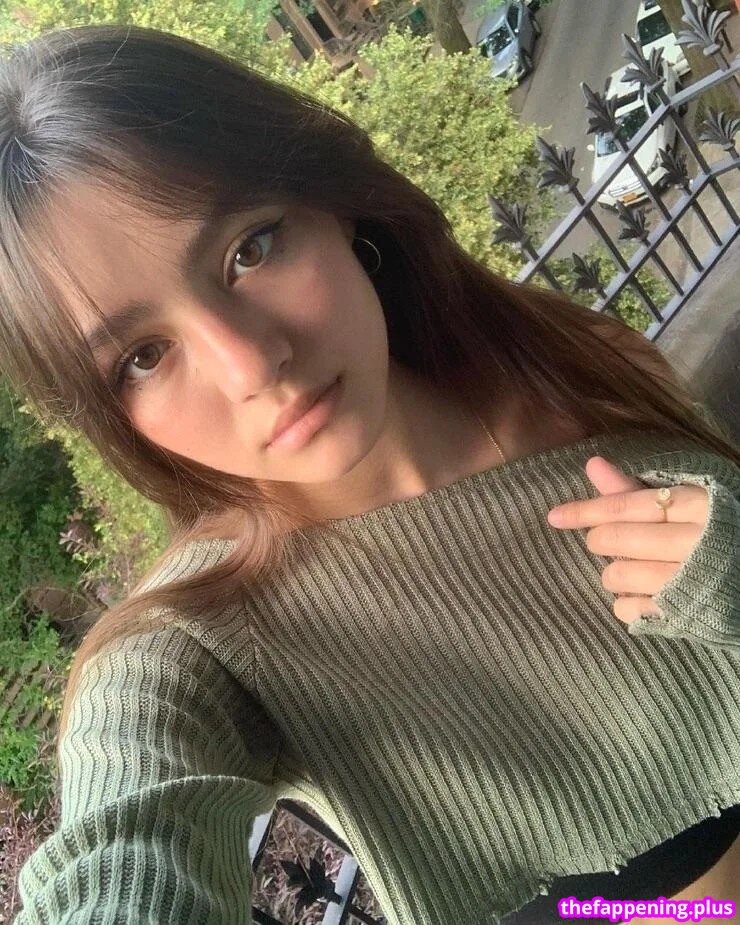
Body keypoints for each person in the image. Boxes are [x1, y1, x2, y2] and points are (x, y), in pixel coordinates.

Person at [1, 23, 738, 925]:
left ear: (332, 201)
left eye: (249, 248)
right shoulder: (202, 642)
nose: (252, 365)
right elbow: (122, 846)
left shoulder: (582, 360)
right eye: (143, 356)